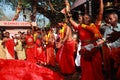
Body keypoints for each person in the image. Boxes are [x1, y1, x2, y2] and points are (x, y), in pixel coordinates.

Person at [66, 0, 104, 80]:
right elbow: (70, 20)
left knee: (96, 70)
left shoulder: (95, 26)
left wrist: (101, 1)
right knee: (86, 70)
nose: (86, 19)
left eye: (87, 18)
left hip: (94, 51)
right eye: (84, 18)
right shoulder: (80, 27)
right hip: (84, 52)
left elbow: (100, 13)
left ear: (91, 19)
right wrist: (67, 10)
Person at [97, 12, 120, 80]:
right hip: (109, 51)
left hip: (118, 51)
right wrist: (98, 42)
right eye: (108, 19)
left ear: (115, 18)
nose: (109, 20)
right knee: (109, 68)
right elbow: (105, 39)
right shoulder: (107, 28)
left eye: (110, 19)